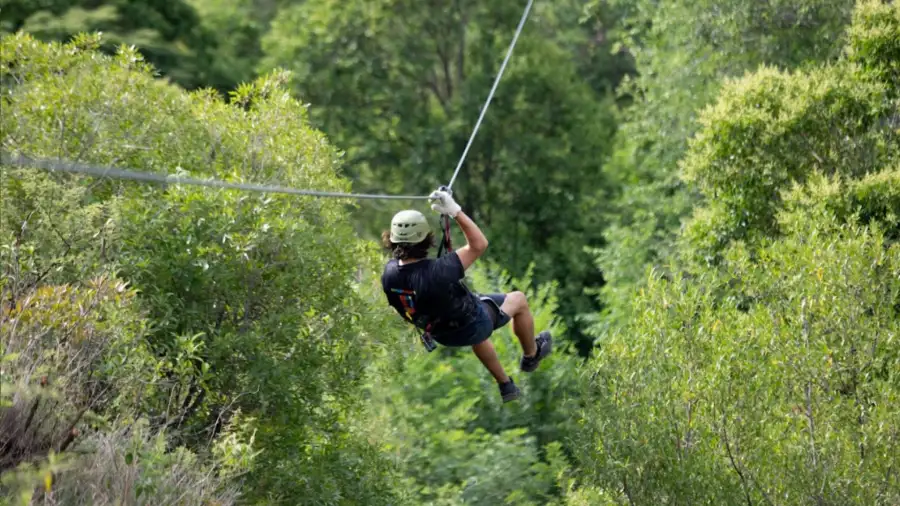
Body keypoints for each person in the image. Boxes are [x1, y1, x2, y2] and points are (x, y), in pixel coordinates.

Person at [380, 188, 552, 402]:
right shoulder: (440, 270)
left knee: (473, 316)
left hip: (439, 333)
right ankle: (531, 355)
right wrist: (455, 211)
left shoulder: (389, 274)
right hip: (471, 324)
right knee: (518, 300)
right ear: (426, 239)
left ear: (393, 240)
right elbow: (479, 244)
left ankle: (505, 385)